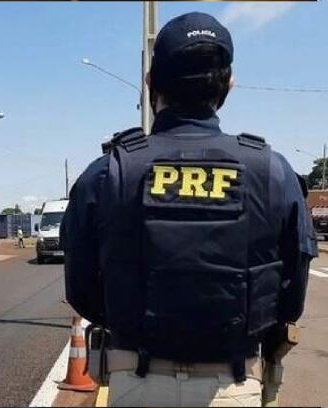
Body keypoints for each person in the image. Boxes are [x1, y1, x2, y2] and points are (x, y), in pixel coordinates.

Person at [62, 12, 317, 407]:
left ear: (150, 83)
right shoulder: (272, 171)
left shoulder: (108, 172)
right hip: (234, 385)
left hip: (135, 381)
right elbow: (291, 296)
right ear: (229, 84)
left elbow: (81, 288)